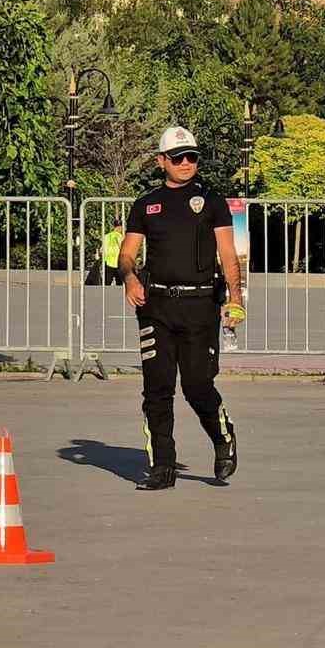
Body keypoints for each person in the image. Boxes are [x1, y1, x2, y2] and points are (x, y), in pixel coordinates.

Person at [118, 127, 246, 491]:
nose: (186, 164)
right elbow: (127, 254)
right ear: (161, 162)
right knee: (157, 388)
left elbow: (228, 254)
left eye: (192, 157)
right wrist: (129, 278)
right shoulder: (146, 203)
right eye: (178, 158)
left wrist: (235, 298)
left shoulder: (212, 200)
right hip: (156, 305)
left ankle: (222, 440)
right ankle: (162, 466)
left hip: (201, 304)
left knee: (196, 384)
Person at [101, 219, 125, 285]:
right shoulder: (121, 237)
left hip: (108, 262)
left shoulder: (106, 236)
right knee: (119, 284)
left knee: (107, 283)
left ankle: (105, 295)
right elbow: (122, 249)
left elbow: (102, 249)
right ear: (120, 227)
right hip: (118, 263)